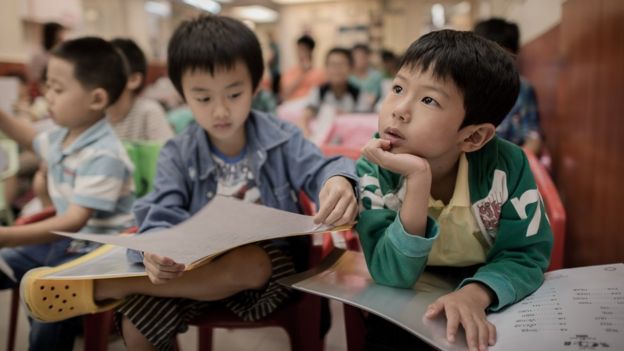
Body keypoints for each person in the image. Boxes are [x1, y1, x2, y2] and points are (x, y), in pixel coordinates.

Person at [21, 15, 358, 351]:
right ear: (182, 94)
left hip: (270, 275)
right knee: (136, 319)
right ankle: (126, 286)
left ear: (256, 85)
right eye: (203, 98)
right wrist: (154, 249)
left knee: (251, 263)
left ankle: (115, 286)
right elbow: (160, 209)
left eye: (234, 93)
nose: (221, 110)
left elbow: (322, 167)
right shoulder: (178, 152)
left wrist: (338, 181)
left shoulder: (280, 138)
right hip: (192, 273)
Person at [356, 30, 553, 351]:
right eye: (398, 88)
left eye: (429, 100)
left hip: (486, 281)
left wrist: (475, 294)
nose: (399, 110)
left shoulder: (508, 167)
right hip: (407, 286)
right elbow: (390, 274)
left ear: (473, 137)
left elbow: (527, 255)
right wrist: (418, 179)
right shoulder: (375, 168)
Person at [0, 37, 135, 350]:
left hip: (98, 250)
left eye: (57, 89)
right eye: (47, 86)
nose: (47, 96)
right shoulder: (62, 135)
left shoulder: (105, 154)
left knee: (49, 297)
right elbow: (31, 138)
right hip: (64, 241)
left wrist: (7, 235)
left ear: (97, 99)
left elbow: (75, 220)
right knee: (11, 263)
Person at [474, 18, 542, 154]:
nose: (498, 64)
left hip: (509, 163)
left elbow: (533, 137)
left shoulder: (523, 89)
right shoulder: (466, 86)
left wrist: (516, 164)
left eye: (505, 57)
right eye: (491, 55)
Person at [108, 38, 174, 142]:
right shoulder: (94, 116)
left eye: (107, 70)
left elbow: (168, 153)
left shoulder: (148, 112)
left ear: (133, 80)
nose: (99, 77)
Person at [280, 34, 326, 102]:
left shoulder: (320, 73)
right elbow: (285, 94)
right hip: (292, 105)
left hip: (313, 106)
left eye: (305, 50)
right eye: (299, 49)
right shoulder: (290, 72)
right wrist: (303, 73)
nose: (301, 53)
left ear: (311, 51)